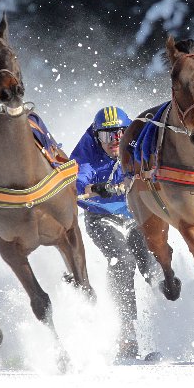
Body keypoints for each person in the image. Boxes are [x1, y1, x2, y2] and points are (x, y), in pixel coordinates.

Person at [71, 105, 162, 361]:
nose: (113, 142)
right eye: (106, 136)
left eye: (119, 134)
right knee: (121, 261)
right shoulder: (87, 148)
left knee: (153, 266)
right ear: (95, 135)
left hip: (135, 215)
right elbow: (79, 177)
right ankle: (126, 332)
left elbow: (157, 165)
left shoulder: (137, 143)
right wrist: (97, 188)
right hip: (101, 216)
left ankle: (169, 324)